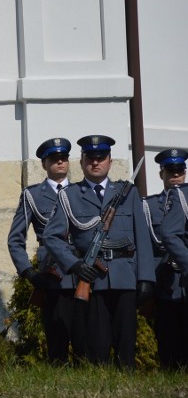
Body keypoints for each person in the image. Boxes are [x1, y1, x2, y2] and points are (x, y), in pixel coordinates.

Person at [42, 135, 155, 369]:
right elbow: (51, 237)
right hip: (92, 280)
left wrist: (146, 278)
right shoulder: (70, 196)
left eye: (101, 158)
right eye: (90, 158)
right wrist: (74, 265)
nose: (96, 163)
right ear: (82, 162)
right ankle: (101, 394)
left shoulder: (127, 193)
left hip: (125, 278)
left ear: (110, 162)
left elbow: (142, 238)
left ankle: (127, 392)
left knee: (126, 345)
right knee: (97, 347)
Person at [7, 137, 83, 364]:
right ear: (44, 164)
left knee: (84, 333)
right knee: (57, 336)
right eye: (54, 159)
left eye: (63, 158)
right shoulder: (33, 195)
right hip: (54, 271)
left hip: (82, 269)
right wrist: (28, 272)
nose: (60, 163)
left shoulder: (81, 191)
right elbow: (15, 238)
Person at [143, 148, 188, 369]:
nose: (176, 176)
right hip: (165, 281)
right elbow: (145, 247)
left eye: (180, 171)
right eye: (171, 171)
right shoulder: (149, 206)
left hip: (185, 277)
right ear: (161, 174)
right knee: (169, 340)